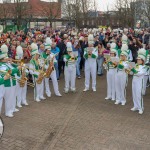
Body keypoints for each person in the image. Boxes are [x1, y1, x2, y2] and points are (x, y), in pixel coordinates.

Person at [0, 44, 21, 117]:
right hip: (7, 83)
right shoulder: (1, 65)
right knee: (8, 98)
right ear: (2, 59)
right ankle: (8, 111)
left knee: (12, 96)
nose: (7, 59)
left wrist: (14, 64)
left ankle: (12, 108)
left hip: (13, 82)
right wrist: (17, 68)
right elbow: (8, 72)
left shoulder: (7, 63)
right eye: (5, 58)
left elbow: (12, 68)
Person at [130, 48, 147, 114]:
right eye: (137, 59)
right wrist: (130, 70)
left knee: (138, 95)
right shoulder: (136, 65)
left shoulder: (145, 67)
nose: (137, 60)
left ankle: (141, 108)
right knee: (134, 94)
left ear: (142, 60)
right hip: (134, 81)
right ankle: (135, 106)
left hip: (139, 82)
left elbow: (139, 73)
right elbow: (131, 73)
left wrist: (133, 70)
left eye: (139, 59)